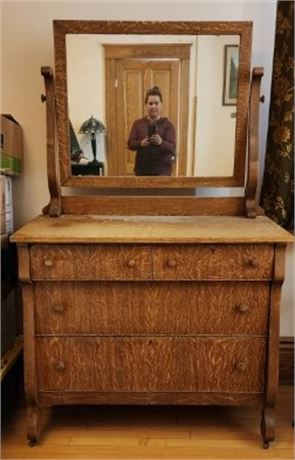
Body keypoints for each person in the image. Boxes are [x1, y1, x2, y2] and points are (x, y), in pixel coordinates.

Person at [127, 86, 176, 176]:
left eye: (156, 103)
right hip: (142, 171)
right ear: (146, 105)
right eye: (150, 103)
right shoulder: (138, 124)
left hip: (163, 172)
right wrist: (140, 143)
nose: (153, 106)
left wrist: (161, 142)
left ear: (161, 104)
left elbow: (172, 147)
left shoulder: (168, 125)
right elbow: (130, 144)